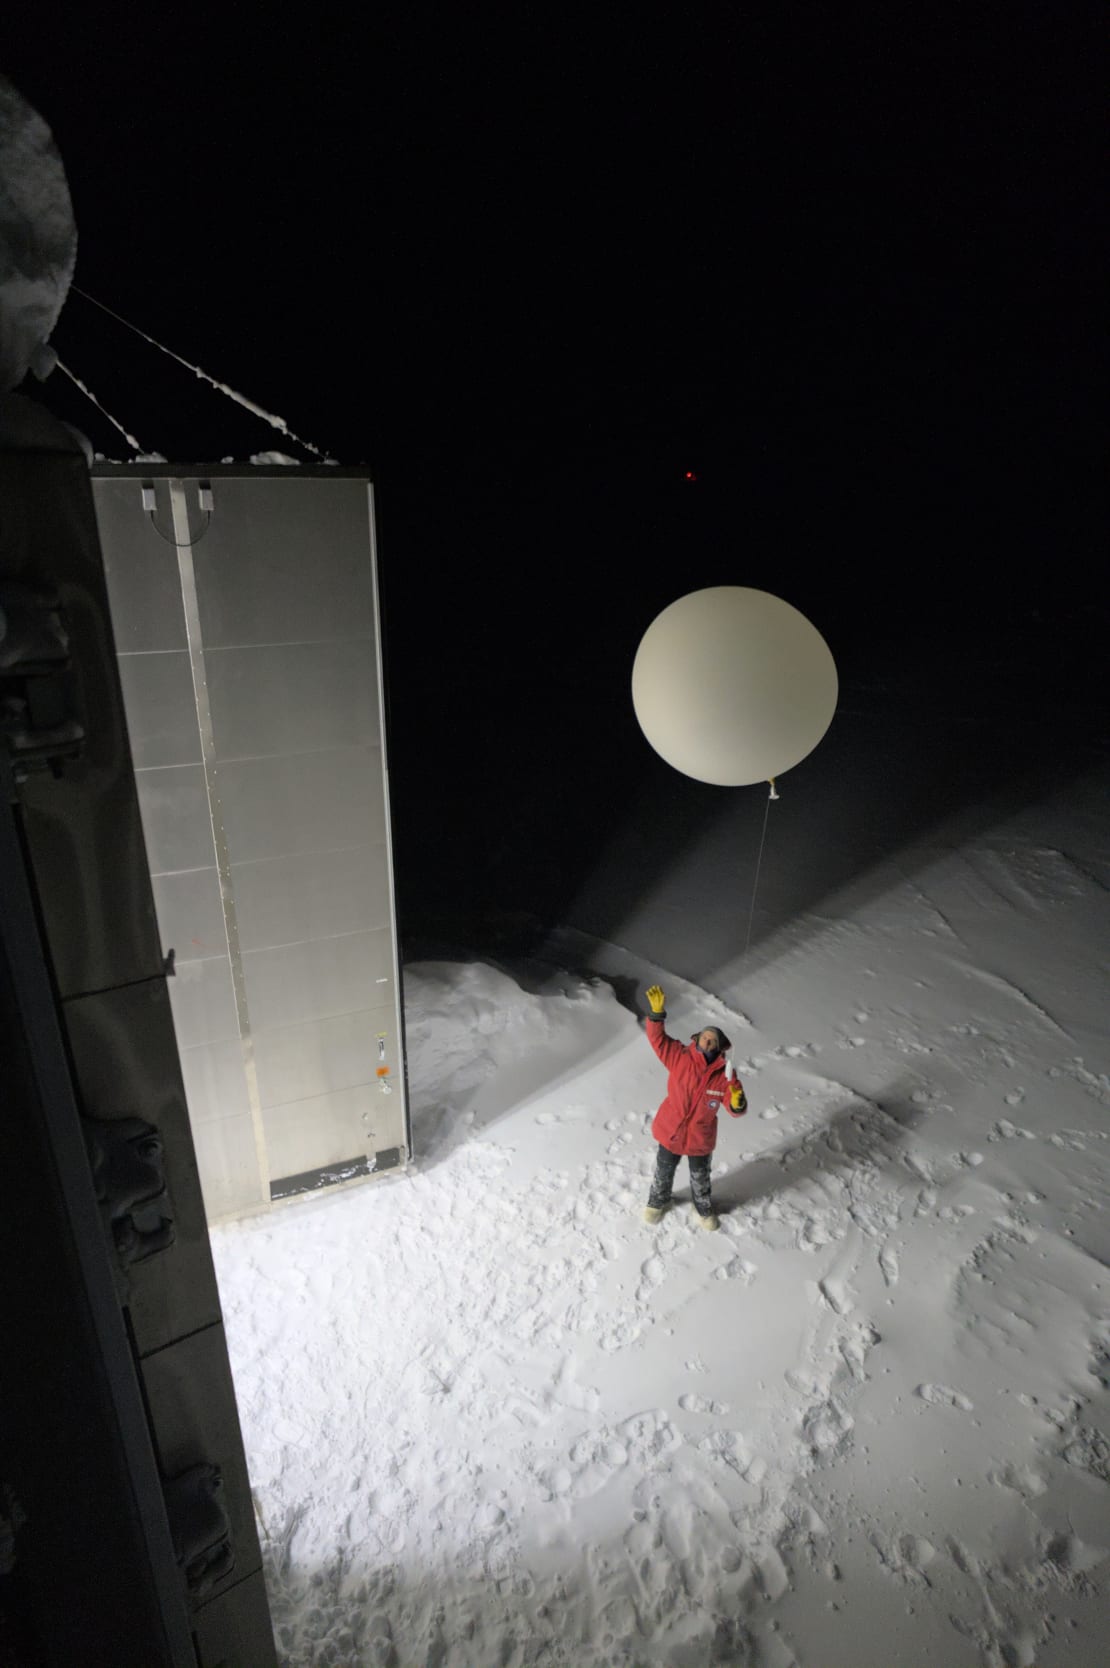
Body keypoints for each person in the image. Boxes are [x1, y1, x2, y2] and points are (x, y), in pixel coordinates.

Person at [641, 983, 747, 1231]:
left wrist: (737, 1101)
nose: (709, 1042)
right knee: (664, 1169)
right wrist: (657, 1015)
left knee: (700, 1177)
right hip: (671, 1129)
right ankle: (658, 1202)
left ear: (720, 1047)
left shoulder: (725, 1074)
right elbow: (657, 1040)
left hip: (701, 1136)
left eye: (714, 1040)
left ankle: (702, 1208)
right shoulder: (679, 1056)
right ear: (697, 1039)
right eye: (706, 1037)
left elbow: (735, 1107)